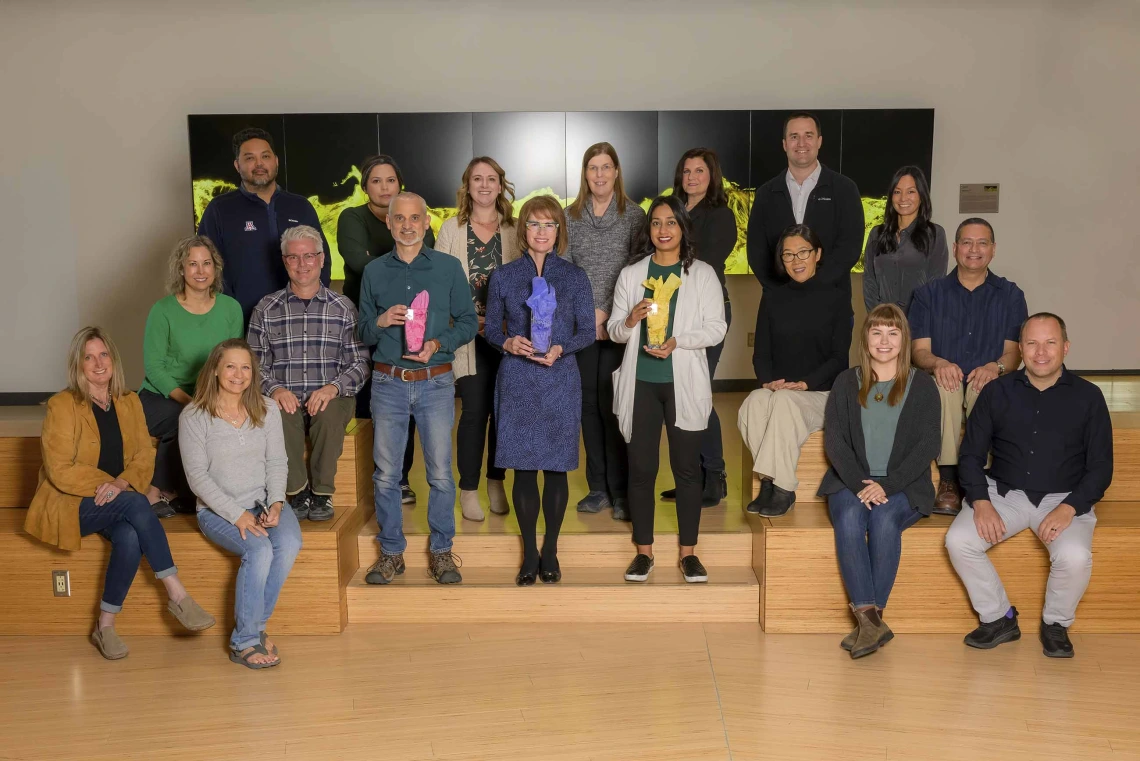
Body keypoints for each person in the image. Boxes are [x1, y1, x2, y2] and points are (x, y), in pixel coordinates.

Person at [25, 327, 215, 661]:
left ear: (113, 360)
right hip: (70, 502)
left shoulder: (129, 403)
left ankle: (105, 626)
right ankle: (177, 593)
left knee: (128, 536)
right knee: (137, 502)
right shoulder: (62, 405)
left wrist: (121, 484)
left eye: (103, 355)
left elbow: (144, 456)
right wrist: (111, 486)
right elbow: (59, 469)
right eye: (89, 357)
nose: (98, 363)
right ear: (78, 365)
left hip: (117, 500)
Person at [944, 313, 1112, 659]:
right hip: (1003, 494)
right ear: (1020, 349)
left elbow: (1100, 468)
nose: (1040, 352)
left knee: (1075, 556)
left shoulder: (1089, 397)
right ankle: (999, 617)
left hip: (1064, 498)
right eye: (1032, 343)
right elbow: (972, 455)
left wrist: (1070, 507)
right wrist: (980, 501)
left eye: (1050, 342)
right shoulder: (995, 392)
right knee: (958, 540)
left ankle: (1055, 624)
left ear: (1065, 347)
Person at [357, 192, 477, 586]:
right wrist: (380, 322)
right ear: (389, 224)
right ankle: (391, 553)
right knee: (386, 474)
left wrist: (437, 343)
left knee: (441, 473)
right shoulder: (374, 272)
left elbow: (468, 321)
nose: (407, 226)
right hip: (388, 383)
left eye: (415, 219)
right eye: (399, 219)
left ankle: (442, 552)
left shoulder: (447, 267)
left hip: (436, 382)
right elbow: (360, 330)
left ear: (427, 223)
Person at [609, 196, 726, 583]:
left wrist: (678, 341)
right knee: (641, 470)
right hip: (640, 382)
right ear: (650, 230)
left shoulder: (703, 274)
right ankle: (643, 553)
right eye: (656, 223)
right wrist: (629, 319)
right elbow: (613, 331)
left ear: (682, 228)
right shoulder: (632, 275)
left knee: (687, 469)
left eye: (671, 223)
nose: (663, 230)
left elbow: (716, 327)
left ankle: (688, 553)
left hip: (682, 383)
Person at [818, 304, 941, 658]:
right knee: (849, 518)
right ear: (866, 338)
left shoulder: (922, 386)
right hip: (849, 479)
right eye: (876, 332)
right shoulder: (846, 382)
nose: (884, 341)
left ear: (904, 339)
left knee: (885, 520)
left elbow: (928, 445)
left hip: (905, 483)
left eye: (893, 333)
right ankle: (873, 625)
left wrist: (886, 485)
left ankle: (868, 624)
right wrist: (861, 483)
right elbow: (836, 442)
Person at [485, 195, 595, 585]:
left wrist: (564, 347)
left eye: (550, 225)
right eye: (534, 224)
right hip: (518, 378)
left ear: (559, 231)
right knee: (525, 469)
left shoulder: (574, 276)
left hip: (560, 377)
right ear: (523, 230)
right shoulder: (505, 275)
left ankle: (551, 550)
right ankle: (530, 552)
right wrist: (507, 343)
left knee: (557, 467)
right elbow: (490, 329)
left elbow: (588, 331)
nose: (542, 232)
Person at [180, 338, 302, 669]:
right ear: (216, 369)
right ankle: (244, 640)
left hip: (261, 500)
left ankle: (255, 627)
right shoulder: (194, 416)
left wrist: (277, 503)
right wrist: (237, 516)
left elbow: (278, 462)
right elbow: (198, 480)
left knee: (289, 542)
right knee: (260, 550)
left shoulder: (267, 408)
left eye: (245, 367)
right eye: (231, 366)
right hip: (217, 509)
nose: (238, 374)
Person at [247, 225, 369, 523]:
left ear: (322, 259)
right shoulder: (266, 308)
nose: (302, 264)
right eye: (293, 257)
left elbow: (360, 363)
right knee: (280, 415)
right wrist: (275, 389)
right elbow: (253, 364)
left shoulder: (343, 308)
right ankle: (297, 491)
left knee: (327, 416)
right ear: (284, 261)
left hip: (331, 396)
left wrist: (333, 388)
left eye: (309, 256)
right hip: (282, 395)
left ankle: (322, 493)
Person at [909, 217, 1028, 515]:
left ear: (993, 249)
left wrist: (995, 368)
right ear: (955, 247)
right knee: (945, 385)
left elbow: (1014, 354)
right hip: (943, 380)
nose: (974, 249)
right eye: (967, 242)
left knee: (985, 386)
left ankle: (979, 477)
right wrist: (938, 363)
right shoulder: (928, 295)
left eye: (982, 243)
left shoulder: (1011, 295)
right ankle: (949, 480)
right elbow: (918, 351)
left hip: (988, 380)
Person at [337, 154, 436, 504]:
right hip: (368, 320)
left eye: (390, 180)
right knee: (369, 404)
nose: (383, 187)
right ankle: (372, 481)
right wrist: (402, 272)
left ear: (400, 184)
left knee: (405, 402)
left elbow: (429, 263)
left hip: (410, 322)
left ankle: (402, 478)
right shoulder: (352, 217)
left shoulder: (414, 217)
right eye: (376, 181)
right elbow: (359, 263)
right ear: (365, 187)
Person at [738, 224, 852, 517]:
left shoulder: (837, 298)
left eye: (803, 252)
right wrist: (767, 382)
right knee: (753, 403)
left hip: (822, 394)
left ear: (817, 254)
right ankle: (768, 481)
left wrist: (804, 384)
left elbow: (839, 358)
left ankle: (784, 488)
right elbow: (761, 353)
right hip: (782, 392)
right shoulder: (773, 297)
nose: (796, 260)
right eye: (788, 255)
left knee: (784, 402)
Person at [564, 142, 647, 521]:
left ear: (616, 172)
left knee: (615, 405)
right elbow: (564, 271)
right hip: (581, 326)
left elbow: (638, 270)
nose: (599, 174)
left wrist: (610, 314)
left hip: (620, 324)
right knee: (587, 406)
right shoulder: (569, 216)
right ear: (585, 173)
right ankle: (597, 486)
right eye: (592, 168)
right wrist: (588, 314)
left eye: (606, 167)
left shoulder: (634, 216)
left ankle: (621, 490)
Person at [435, 157, 519, 521]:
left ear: (501, 185)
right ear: (467, 186)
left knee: (504, 412)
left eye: (491, 179)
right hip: (468, 337)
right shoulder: (451, 229)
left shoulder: (516, 230)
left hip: (508, 338)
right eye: (476, 179)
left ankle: (496, 481)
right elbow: (439, 285)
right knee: (473, 413)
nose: (484, 185)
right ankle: (468, 489)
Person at [139, 236, 243, 518]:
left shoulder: (231, 308)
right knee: (186, 420)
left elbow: (234, 361)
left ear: (215, 268)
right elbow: (154, 369)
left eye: (206, 263)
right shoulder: (163, 310)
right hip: (161, 396)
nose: (200, 271)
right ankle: (158, 490)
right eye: (193, 264)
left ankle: (211, 494)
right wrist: (192, 402)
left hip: (212, 393)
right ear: (181, 270)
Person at [658, 148, 737, 508]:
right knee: (676, 397)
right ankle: (691, 477)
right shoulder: (671, 212)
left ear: (712, 175)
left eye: (699, 171)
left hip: (706, 314)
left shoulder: (720, 216)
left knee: (699, 393)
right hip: (669, 313)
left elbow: (704, 263)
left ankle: (715, 475)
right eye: (686, 170)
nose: (692, 177)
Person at [197, 127, 330, 326]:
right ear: (237, 165)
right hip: (240, 321)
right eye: (249, 158)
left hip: (300, 319)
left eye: (265, 156)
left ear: (276, 161)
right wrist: (229, 313)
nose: (259, 164)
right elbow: (207, 268)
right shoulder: (219, 210)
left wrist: (312, 303)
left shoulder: (301, 207)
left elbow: (322, 260)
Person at [746, 112, 864, 299]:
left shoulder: (845, 189)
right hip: (779, 302)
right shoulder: (765, 194)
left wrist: (813, 286)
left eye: (808, 136)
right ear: (785, 144)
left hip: (832, 302)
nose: (801, 143)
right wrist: (783, 290)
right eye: (794, 137)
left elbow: (850, 247)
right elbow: (756, 252)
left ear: (819, 141)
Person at [862, 166, 949, 314]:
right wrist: (879, 317)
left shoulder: (935, 234)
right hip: (883, 323)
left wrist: (915, 322)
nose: (903, 198)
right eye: (897, 192)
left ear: (921, 195)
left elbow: (936, 284)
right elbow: (869, 281)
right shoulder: (877, 234)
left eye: (911, 191)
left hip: (919, 323)